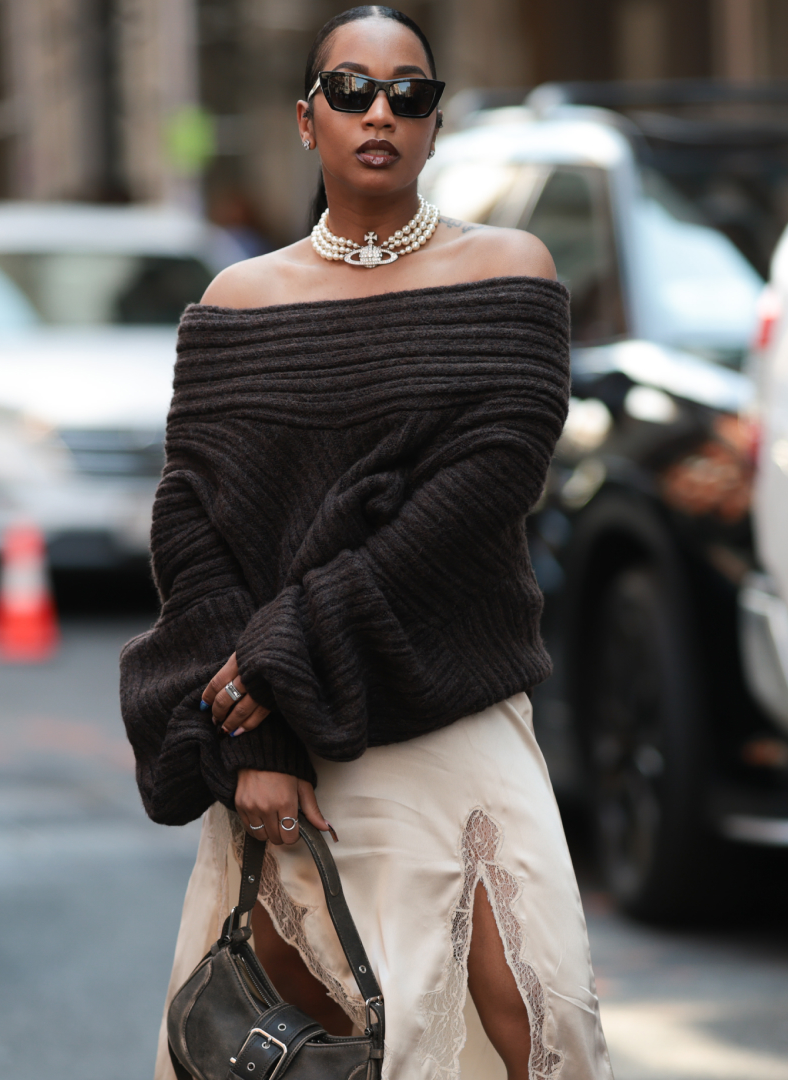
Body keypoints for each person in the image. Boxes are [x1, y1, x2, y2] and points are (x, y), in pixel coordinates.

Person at [118, 7, 614, 1080]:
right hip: (291, 739)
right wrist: (254, 740)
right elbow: (194, 534)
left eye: (410, 93)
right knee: (313, 1048)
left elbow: (473, 504)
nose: (380, 111)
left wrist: (279, 652)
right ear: (306, 120)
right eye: (350, 91)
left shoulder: (510, 276)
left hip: (452, 707)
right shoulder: (237, 304)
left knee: (538, 1016)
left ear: (435, 123)